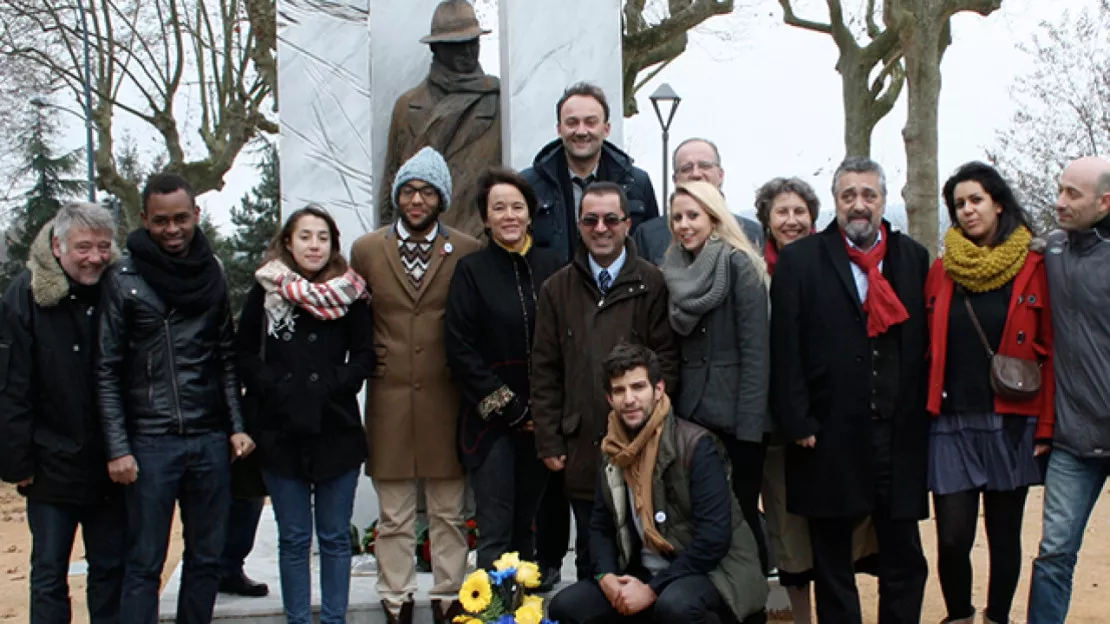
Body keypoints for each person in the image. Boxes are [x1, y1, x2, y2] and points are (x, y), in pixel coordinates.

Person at [770, 156, 930, 623]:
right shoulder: (802, 260)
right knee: (832, 561)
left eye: (868, 195)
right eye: (848, 196)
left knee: (903, 555)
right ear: (835, 203)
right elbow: (786, 348)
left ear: (883, 200)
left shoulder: (911, 258)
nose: (859, 206)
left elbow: (918, 345)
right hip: (826, 433)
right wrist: (798, 421)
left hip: (894, 435)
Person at [97, 172, 255, 624]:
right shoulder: (123, 278)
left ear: (196, 216)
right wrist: (118, 447)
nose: (172, 229)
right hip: (149, 441)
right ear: (145, 220)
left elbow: (225, 355)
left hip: (208, 438)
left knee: (206, 559)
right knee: (144, 562)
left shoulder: (214, 271)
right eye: (161, 220)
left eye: (181, 219)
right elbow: (105, 370)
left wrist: (237, 425)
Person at [349, 147, 481, 624]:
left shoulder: (466, 249)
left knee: (448, 508)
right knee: (395, 513)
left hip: (447, 395)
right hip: (390, 395)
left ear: (441, 197)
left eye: (427, 191)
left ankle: (449, 593)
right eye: (409, 190)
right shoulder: (366, 249)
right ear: (396, 196)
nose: (417, 200)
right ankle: (396, 596)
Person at [548, 343, 768, 624]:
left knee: (675, 607)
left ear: (659, 389)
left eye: (638, 387)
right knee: (567, 606)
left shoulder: (696, 446)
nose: (629, 399)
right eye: (619, 390)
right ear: (609, 398)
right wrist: (606, 578)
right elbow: (600, 526)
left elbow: (714, 538)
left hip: (712, 571)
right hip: (642, 571)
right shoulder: (612, 450)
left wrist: (652, 589)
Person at [924, 162, 1054, 624]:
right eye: (959, 204)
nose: (967, 210)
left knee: (1004, 535)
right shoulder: (941, 271)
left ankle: (997, 616)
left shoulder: (1035, 266)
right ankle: (959, 615)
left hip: (1011, 420)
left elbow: (1050, 352)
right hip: (950, 421)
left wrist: (1046, 426)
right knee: (953, 537)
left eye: (976, 200)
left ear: (998, 202)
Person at [531, 181, 678, 587]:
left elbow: (666, 361)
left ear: (627, 224)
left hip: (641, 445)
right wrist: (549, 439)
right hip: (582, 444)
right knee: (593, 563)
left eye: (611, 219)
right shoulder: (556, 289)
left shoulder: (652, 282)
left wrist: (656, 427)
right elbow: (544, 370)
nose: (601, 228)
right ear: (578, 225)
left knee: (644, 557)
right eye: (591, 219)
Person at [235, 205, 374, 624]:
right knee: (294, 538)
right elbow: (243, 353)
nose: (314, 245)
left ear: (333, 245)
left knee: (334, 537)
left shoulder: (351, 293)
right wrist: (276, 387)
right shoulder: (266, 290)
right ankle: (298, 618)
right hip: (281, 433)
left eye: (323, 238)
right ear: (288, 242)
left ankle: (334, 619)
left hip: (336, 431)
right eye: (305, 236)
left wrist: (335, 383)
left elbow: (365, 354)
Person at [753, 177, 877, 624]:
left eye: (799, 211)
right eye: (781, 212)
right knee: (788, 534)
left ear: (813, 216)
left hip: (825, 424)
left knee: (832, 531)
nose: (791, 220)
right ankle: (797, 618)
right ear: (766, 220)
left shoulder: (836, 263)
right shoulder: (752, 270)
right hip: (772, 424)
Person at [0, 203, 125, 624]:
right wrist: (18, 460)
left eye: (103, 247)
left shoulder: (119, 290)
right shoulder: (25, 295)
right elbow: (12, 385)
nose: (94, 257)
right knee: (50, 573)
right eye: (83, 247)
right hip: (49, 461)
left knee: (111, 568)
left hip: (110, 461)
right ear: (58, 245)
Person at [445, 168, 562, 570]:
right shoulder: (471, 271)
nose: (509, 215)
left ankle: (525, 610)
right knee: (496, 527)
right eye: (499, 208)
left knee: (527, 525)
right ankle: (495, 613)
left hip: (543, 419)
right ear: (486, 217)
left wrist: (543, 410)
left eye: (517, 207)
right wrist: (510, 407)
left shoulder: (553, 266)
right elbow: (460, 349)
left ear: (530, 213)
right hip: (492, 422)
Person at [660, 181, 771, 574]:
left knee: (740, 516)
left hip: (737, 418)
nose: (684, 225)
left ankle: (753, 597)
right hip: (692, 416)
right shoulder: (673, 269)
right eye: (677, 217)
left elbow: (757, 352)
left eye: (693, 215)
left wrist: (750, 428)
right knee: (704, 519)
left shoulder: (740, 264)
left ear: (713, 216)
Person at [1028, 156, 1110, 624]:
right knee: (1054, 553)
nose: (1059, 202)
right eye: (1059, 190)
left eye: (1072, 195)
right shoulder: (1050, 250)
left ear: (1105, 201)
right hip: (1073, 440)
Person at [378, 0, 500, 239]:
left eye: (472, 43)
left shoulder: (496, 98)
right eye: (457, 46)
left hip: (479, 241)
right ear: (436, 49)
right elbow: (392, 180)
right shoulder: (408, 105)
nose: (467, 53)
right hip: (421, 241)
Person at [522, 82, 658, 264]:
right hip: (550, 290)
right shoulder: (529, 184)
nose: (581, 131)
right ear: (559, 129)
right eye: (572, 122)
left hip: (622, 290)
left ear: (606, 129)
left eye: (590, 122)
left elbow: (652, 246)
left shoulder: (637, 183)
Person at [634, 137, 763, 266]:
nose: (696, 174)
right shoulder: (649, 236)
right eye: (686, 168)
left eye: (705, 166)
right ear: (675, 179)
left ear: (720, 175)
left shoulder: (752, 234)